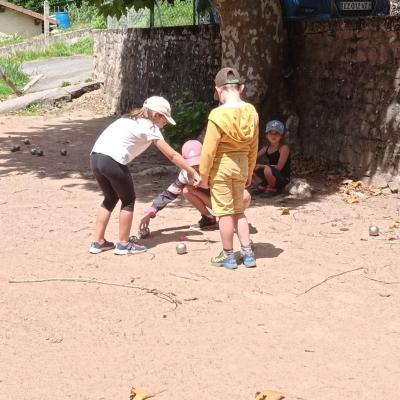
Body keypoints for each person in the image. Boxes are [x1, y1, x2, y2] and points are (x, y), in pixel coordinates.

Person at [89, 96, 200, 255]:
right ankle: (124, 244)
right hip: (113, 160)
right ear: (156, 115)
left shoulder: (127, 119)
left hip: (95, 158)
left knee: (110, 198)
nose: (165, 123)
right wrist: (192, 171)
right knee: (128, 200)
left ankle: (98, 242)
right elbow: (173, 156)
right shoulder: (150, 127)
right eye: (165, 119)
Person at [200, 67, 259, 269]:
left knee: (224, 212)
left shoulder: (217, 115)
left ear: (219, 90)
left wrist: (204, 175)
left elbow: (208, 151)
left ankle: (228, 255)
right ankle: (248, 253)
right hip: (242, 164)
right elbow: (254, 146)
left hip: (222, 167)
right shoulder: (251, 112)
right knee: (239, 211)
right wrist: (250, 171)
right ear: (241, 88)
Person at [139, 139, 251, 232]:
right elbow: (170, 193)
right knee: (186, 190)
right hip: (214, 202)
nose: (196, 167)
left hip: (226, 201)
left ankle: (234, 218)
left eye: (198, 163)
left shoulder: (216, 167)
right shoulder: (185, 174)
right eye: (191, 164)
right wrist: (152, 210)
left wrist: (207, 181)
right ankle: (208, 218)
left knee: (245, 195)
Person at [252, 120, 291, 196]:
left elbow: (279, 168)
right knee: (250, 166)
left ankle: (274, 188)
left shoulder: (284, 148)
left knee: (267, 169)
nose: (274, 135)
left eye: (277, 133)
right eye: (271, 133)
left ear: (281, 136)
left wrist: (261, 166)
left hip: (282, 178)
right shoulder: (266, 148)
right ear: (267, 135)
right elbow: (252, 158)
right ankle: (263, 184)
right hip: (270, 174)